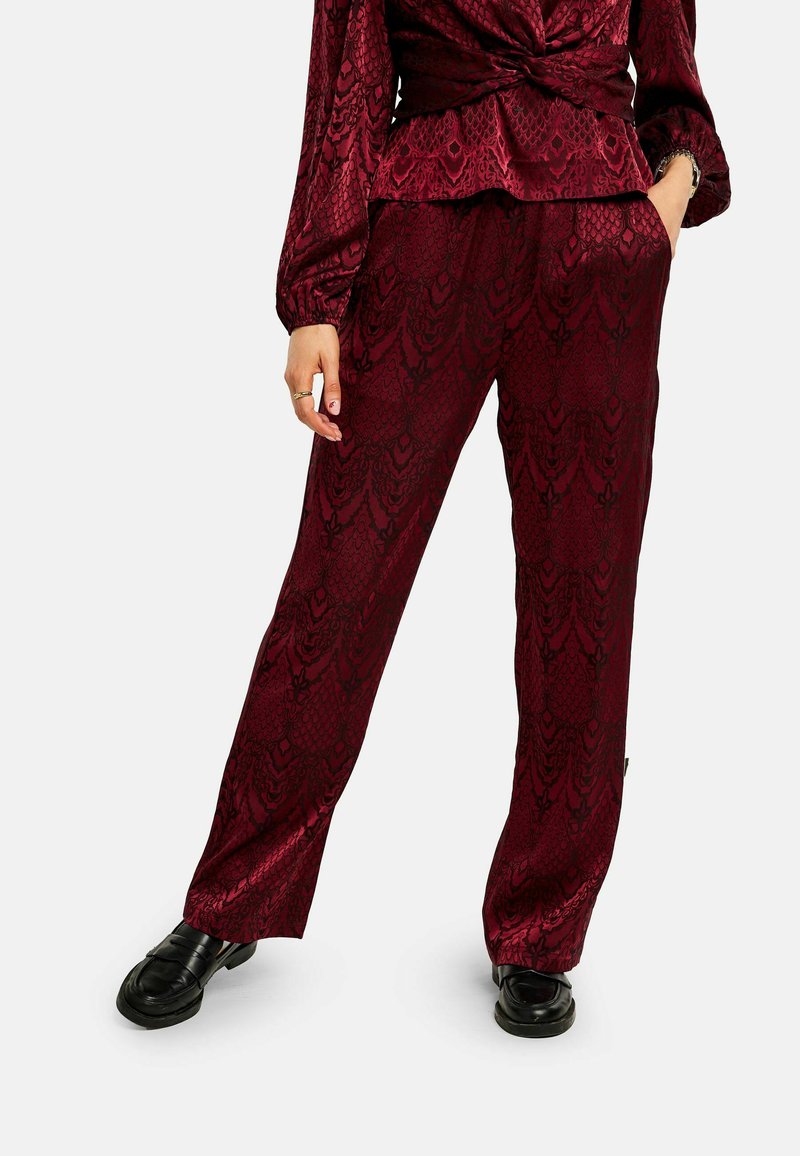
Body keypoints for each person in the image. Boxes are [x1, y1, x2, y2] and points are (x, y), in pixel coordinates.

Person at [116, 0, 730, 1036]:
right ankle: (229, 901)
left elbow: (675, 92)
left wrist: (658, 204)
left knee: (581, 597)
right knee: (338, 584)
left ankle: (542, 930)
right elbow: (346, 97)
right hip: (424, 236)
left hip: (599, 246)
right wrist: (316, 297)